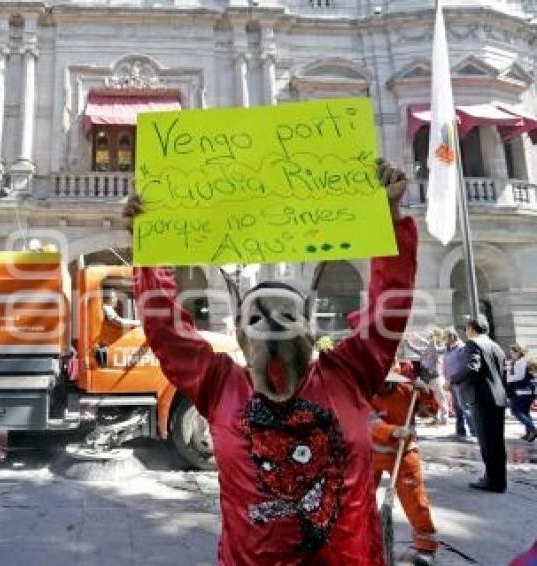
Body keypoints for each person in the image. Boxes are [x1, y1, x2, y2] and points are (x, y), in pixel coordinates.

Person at [124, 159, 417, 565]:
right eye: (257, 318)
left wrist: (389, 218)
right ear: (240, 337)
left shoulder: (348, 372)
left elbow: (390, 307)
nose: (272, 327)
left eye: (286, 315)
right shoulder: (219, 384)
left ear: (310, 330)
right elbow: (167, 331)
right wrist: (151, 249)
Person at [370, 368, 439, 566]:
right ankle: (364, 538)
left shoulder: (408, 390)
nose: (380, 386)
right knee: (360, 498)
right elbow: (367, 421)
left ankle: (426, 545)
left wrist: (426, 393)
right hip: (371, 453)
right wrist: (392, 431)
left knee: (415, 500)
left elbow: (430, 412)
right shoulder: (364, 391)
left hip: (405, 452)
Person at [451, 316, 507, 493]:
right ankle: (499, 480)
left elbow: (473, 367)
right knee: (497, 442)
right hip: (498, 398)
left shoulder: (474, 344)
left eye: (466, 329)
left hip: (483, 398)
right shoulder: (495, 346)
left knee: (487, 442)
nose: (465, 333)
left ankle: (491, 481)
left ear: (471, 329)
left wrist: (453, 380)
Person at [405, 329, 448, 425]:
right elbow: (412, 347)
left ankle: (444, 419)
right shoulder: (423, 351)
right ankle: (433, 416)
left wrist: (418, 337)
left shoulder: (436, 350)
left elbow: (432, 345)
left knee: (440, 399)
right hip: (426, 380)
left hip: (435, 379)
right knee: (430, 399)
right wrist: (406, 340)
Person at [441, 327, 474, 440]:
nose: (444, 339)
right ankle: (460, 431)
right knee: (457, 408)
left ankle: (474, 432)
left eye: (445, 337)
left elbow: (465, 366)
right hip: (451, 382)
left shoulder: (461, 347)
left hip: (460, 381)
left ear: (452, 336)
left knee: (464, 407)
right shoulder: (448, 349)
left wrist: (453, 379)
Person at [507, 344, 536, 442]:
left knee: (515, 411)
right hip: (529, 391)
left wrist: (507, 378)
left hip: (522, 391)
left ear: (518, 352)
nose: (511, 354)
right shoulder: (528, 360)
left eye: (512, 352)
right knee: (525, 411)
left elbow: (519, 376)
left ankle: (533, 430)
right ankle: (529, 433)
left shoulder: (521, 362)